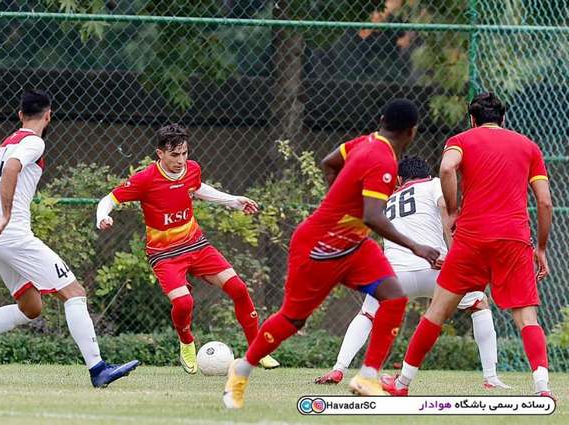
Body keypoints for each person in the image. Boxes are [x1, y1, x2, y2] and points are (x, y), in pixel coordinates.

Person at [222, 99, 441, 409]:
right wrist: (417, 246)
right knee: (292, 319)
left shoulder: (364, 141)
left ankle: (367, 377)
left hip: (354, 245)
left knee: (394, 296)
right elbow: (372, 216)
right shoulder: (384, 161)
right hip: (319, 247)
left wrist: (339, 199)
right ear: (412, 132)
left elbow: (328, 163)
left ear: (382, 120)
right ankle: (240, 370)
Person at [0, 89, 139, 388]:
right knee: (74, 293)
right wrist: (6, 218)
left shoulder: (5, 145)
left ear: (20, 115)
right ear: (48, 116)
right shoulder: (34, 142)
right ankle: (98, 369)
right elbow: (12, 169)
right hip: (15, 236)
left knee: (31, 307)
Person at [382, 92, 554, 398]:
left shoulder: (461, 139)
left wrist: (452, 211)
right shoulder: (528, 147)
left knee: (436, 312)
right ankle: (542, 389)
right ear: (504, 119)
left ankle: (402, 384)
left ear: (472, 120)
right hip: (514, 239)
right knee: (527, 318)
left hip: (471, 238)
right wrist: (540, 248)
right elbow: (544, 202)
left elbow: (447, 169)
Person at [95, 123, 279, 374]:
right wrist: (102, 216)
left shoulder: (192, 169)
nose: (181, 160)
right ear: (160, 153)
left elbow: (199, 188)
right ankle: (186, 341)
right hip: (164, 254)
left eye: (184, 153)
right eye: (174, 155)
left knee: (238, 288)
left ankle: (257, 351)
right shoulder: (145, 179)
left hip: (196, 244)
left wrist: (233, 201)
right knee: (183, 304)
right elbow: (110, 199)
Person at [315, 156, 508, 389]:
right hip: (434, 268)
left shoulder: (388, 198)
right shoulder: (433, 183)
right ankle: (490, 378)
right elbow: (447, 210)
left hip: (396, 274)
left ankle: (338, 369)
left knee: (367, 314)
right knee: (479, 303)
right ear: (426, 174)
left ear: (398, 179)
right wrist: (454, 257)